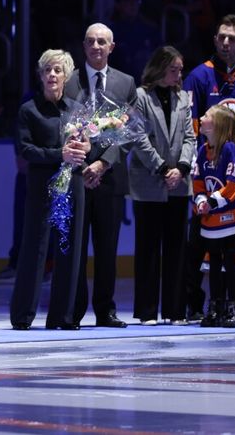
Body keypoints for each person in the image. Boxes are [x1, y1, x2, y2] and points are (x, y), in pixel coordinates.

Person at [181, 14, 235, 325]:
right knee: (201, 244)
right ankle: (197, 305)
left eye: (232, 38)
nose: (226, 42)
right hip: (207, 178)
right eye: (221, 37)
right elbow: (192, 129)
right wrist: (195, 177)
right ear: (215, 40)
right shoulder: (198, 77)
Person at [62, 23, 137, 328]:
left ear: (111, 47)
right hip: (76, 180)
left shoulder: (126, 83)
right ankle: (73, 311)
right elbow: (61, 129)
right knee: (76, 250)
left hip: (110, 180)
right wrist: (83, 167)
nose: (96, 46)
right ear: (84, 45)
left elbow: (130, 133)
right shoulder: (69, 82)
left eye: (101, 42)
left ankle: (105, 310)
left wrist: (103, 164)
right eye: (91, 41)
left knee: (107, 251)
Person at [9, 49, 91, 330]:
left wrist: (86, 149)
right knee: (35, 248)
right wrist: (61, 154)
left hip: (73, 185)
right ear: (41, 75)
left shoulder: (76, 110)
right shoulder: (28, 109)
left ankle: (64, 316)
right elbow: (26, 150)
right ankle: (23, 316)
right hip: (42, 185)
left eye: (57, 70)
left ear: (66, 76)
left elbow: (83, 147)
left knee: (70, 249)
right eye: (47, 70)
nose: (52, 75)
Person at [127, 46, 195, 325]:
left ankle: (175, 310)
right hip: (149, 182)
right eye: (174, 69)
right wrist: (163, 168)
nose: (179, 75)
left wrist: (181, 168)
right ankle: (146, 311)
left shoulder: (183, 98)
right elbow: (138, 136)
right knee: (148, 248)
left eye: (180, 70)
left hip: (179, 183)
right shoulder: (141, 97)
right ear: (159, 68)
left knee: (177, 248)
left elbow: (190, 136)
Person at [192, 105, 235, 328]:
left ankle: (233, 308)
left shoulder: (231, 149)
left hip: (232, 219)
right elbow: (197, 182)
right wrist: (200, 201)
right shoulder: (202, 150)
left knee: (230, 263)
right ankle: (215, 307)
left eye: (206, 116)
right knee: (214, 265)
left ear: (217, 125)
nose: (202, 118)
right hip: (211, 219)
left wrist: (212, 201)